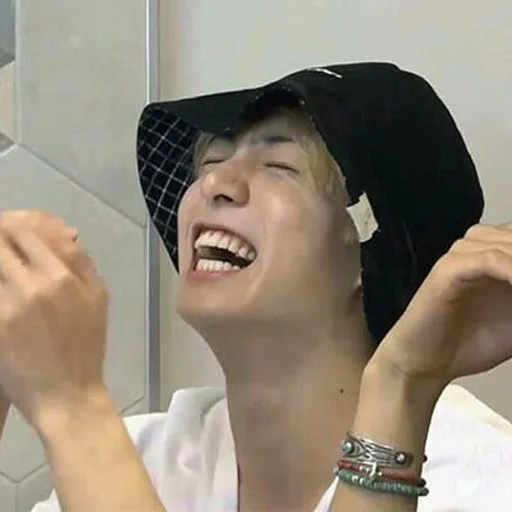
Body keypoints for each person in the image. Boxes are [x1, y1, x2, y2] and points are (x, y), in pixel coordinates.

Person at [0, 62, 512, 511]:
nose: (213, 183)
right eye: (211, 162)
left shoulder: (482, 478)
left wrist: (73, 406)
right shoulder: (156, 458)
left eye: (279, 167)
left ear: (370, 254)